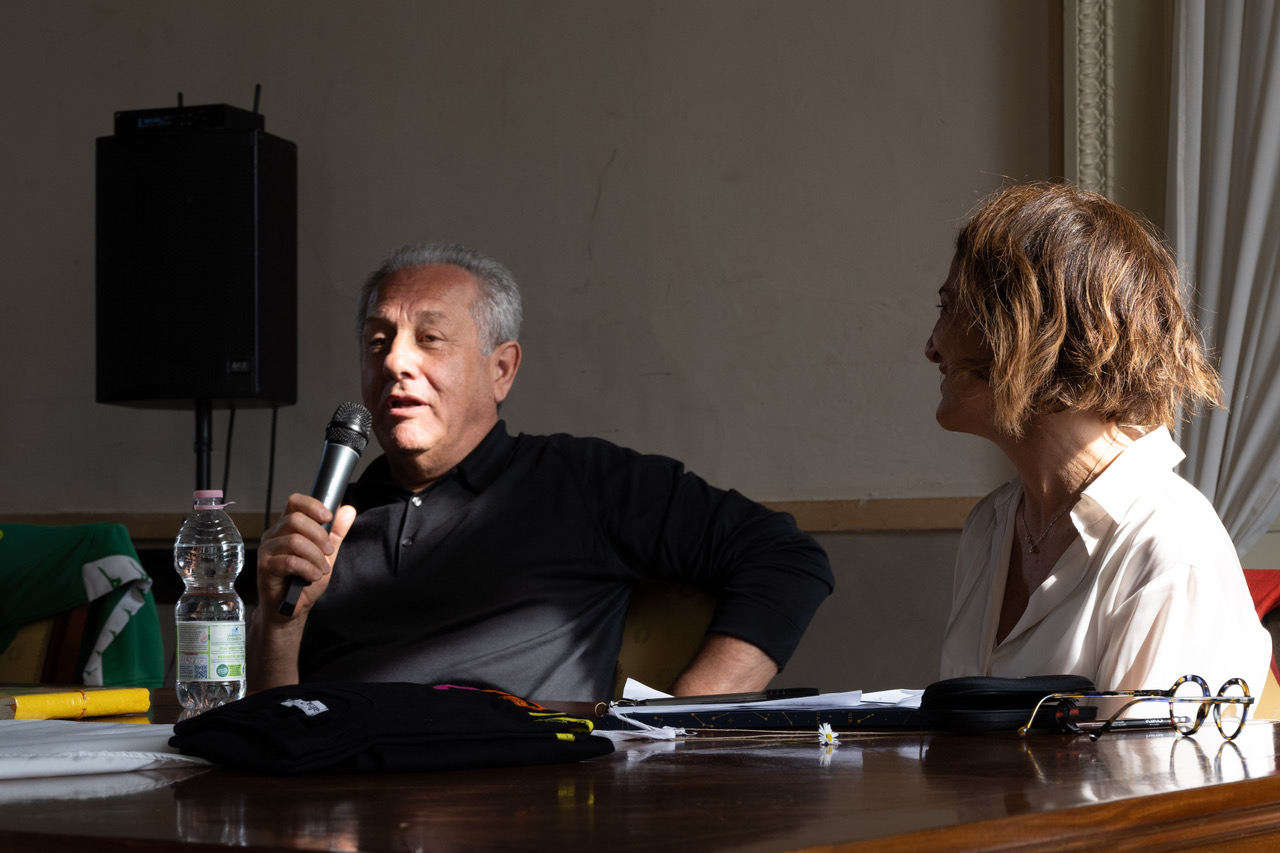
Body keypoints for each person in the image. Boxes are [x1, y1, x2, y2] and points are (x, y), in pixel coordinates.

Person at [248, 243, 833, 701]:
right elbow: (277, 727)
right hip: (345, 805)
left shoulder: (581, 481)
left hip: (519, 810)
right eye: (379, 343)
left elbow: (785, 557)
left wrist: (686, 718)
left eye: (430, 339)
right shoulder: (325, 528)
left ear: (501, 370)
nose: (396, 361)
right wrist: (279, 625)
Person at [926, 182, 1271, 696]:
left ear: (1032, 327)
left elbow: (1157, 776)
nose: (931, 347)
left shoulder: (1168, 546)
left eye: (950, 307)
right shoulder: (992, 528)